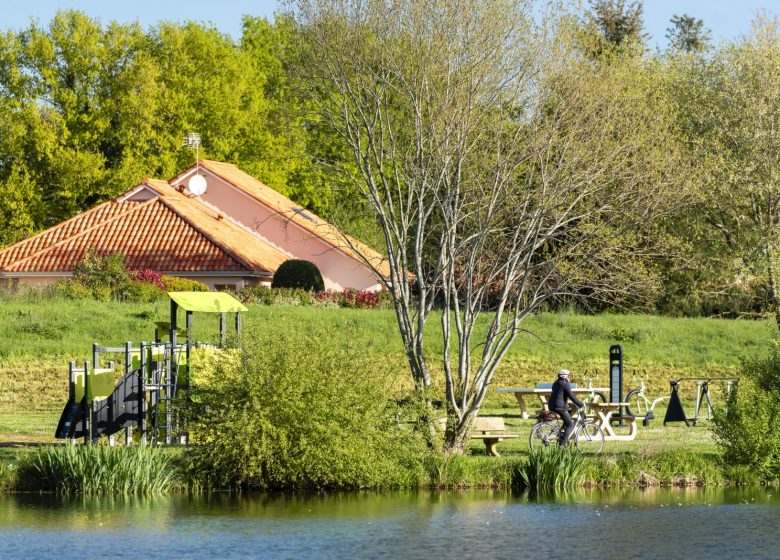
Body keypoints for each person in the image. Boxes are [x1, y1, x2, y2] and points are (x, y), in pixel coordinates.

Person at [548, 369, 583, 447]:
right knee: (570, 424)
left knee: (568, 416)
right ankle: (564, 443)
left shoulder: (556, 383)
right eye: (569, 376)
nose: (569, 378)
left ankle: (562, 433)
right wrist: (580, 403)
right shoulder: (565, 384)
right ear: (565, 376)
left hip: (551, 405)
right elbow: (571, 396)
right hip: (560, 407)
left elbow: (561, 395)